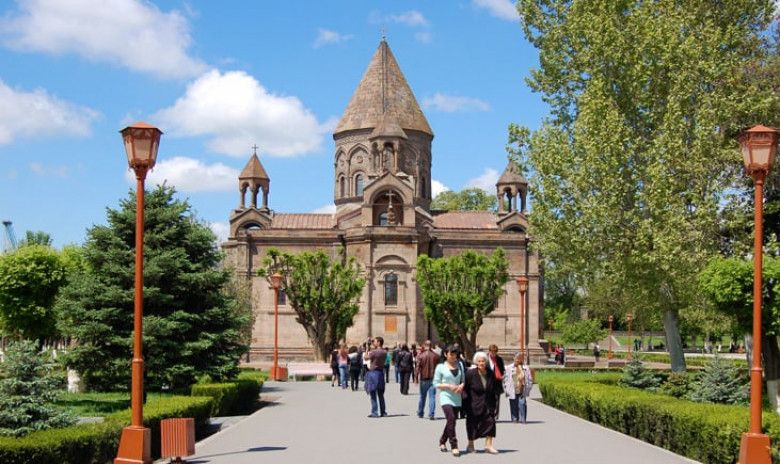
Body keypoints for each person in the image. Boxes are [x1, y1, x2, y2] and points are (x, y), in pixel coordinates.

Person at [464, 351, 499, 454]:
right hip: (474, 403)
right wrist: (465, 404)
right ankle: (470, 445)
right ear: (476, 362)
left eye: (483, 361)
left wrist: (495, 402)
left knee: (491, 422)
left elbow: (494, 388)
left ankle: (488, 445)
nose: (481, 363)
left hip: (488, 403)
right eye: (479, 361)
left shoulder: (490, 373)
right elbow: (465, 389)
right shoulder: (470, 373)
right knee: (472, 424)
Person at [434, 345, 465, 456]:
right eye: (451, 354)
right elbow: (436, 383)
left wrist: (461, 386)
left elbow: (463, 380)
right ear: (445, 354)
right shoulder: (440, 367)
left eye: (455, 354)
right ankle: (454, 445)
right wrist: (448, 386)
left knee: (452, 421)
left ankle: (442, 441)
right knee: (451, 418)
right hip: (446, 396)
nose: (453, 356)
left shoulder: (460, 365)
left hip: (457, 397)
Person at [503, 352, 533, 423]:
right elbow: (505, 378)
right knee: (513, 403)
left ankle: (523, 419)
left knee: (522, 403)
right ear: (514, 358)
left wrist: (529, 387)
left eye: (519, 358)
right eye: (516, 358)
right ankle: (514, 418)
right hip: (512, 388)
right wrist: (506, 388)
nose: (517, 360)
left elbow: (529, 379)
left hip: (522, 388)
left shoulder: (525, 368)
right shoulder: (509, 367)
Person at [364, 336, 387, 418]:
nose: (374, 343)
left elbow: (365, 358)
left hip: (373, 373)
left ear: (379, 343)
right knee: (381, 394)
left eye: (375, 341)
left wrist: (367, 348)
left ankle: (374, 412)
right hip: (380, 373)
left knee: (373, 393)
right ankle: (383, 412)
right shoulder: (384, 352)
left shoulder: (374, 352)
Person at [416, 340, 439, 420]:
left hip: (423, 378)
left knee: (422, 396)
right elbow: (438, 368)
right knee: (432, 397)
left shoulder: (421, 356)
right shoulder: (436, 356)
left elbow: (417, 368)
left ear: (424, 345)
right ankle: (431, 414)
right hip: (433, 378)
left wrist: (416, 378)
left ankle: (420, 412)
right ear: (431, 345)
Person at [487, 344, 505, 420]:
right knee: (488, 399)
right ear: (489, 351)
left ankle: (495, 415)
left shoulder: (499, 359)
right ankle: (489, 414)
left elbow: (502, 369)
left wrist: (502, 376)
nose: (494, 353)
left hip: (497, 382)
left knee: (497, 399)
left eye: (495, 352)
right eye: (492, 352)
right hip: (488, 382)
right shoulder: (485, 359)